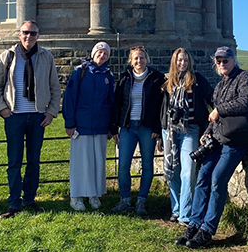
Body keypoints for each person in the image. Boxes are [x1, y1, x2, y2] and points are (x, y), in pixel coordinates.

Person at [176, 46, 248, 249]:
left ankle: (207, 230)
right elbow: (214, 116)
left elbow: (245, 101)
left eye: (225, 60)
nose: (222, 64)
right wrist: (208, 131)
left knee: (218, 179)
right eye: (218, 61)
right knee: (203, 176)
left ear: (234, 60)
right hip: (218, 138)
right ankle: (194, 224)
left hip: (236, 140)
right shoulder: (220, 85)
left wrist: (219, 109)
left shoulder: (245, 77)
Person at [0, 20, 61, 218]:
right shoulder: (7, 57)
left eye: (32, 33)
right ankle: (14, 202)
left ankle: (29, 199)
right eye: (25, 32)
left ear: (38, 35)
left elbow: (55, 87)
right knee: (14, 160)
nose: (28, 36)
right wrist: (1, 108)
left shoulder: (46, 56)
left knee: (33, 161)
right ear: (19, 34)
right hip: (14, 116)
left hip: (38, 116)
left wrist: (51, 112)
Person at [161, 48, 214, 226]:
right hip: (169, 131)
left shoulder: (197, 79)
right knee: (172, 172)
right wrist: (158, 134)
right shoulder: (167, 82)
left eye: (185, 60)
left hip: (190, 130)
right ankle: (176, 209)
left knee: (188, 171)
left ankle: (185, 214)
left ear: (189, 62)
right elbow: (160, 110)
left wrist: (217, 114)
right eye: (179, 60)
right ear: (174, 62)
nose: (182, 63)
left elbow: (212, 99)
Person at [111, 45, 165, 215]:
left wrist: (157, 128)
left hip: (147, 128)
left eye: (142, 57)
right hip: (128, 127)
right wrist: (114, 128)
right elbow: (117, 104)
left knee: (147, 165)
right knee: (123, 165)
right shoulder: (125, 78)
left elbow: (161, 107)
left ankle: (141, 201)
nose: (139, 61)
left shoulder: (156, 78)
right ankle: (125, 200)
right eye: (136, 58)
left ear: (146, 59)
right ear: (131, 61)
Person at [62, 41, 116, 211]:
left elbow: (111, 101)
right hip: (82, 125)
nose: (102, 55)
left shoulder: (108, 75)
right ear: (93, 54)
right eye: (99, 52)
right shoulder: (80, 72)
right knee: (80, 162)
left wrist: (110, 126)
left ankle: (94, 194)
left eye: (105, 53)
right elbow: (70, 98)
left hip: (100, 125)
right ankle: (76, 195)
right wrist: (70, 123)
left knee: (97, 162)